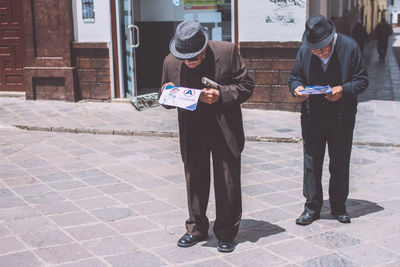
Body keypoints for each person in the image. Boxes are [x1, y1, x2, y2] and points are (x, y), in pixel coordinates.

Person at [159, 21, 254, 252]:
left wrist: (221, 95)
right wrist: (166, 93)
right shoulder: (171, 61)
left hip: (224, 128)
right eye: (184, 57)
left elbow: (247, 86)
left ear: (204, 46)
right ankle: (196, 228)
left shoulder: (227, 52)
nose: (188, 61)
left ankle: (226, 232)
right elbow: (163, 95)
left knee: (227, 182)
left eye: (194, 56)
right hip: (193, 129)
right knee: (195, 181)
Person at [288, 15, 369, 226]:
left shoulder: (350, 47)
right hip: (312, 115)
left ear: (332, 38)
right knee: (311, 162)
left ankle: (338, 206)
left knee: (340, 162)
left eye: (322, 48)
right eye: (315, 49)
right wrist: (296, 89)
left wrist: (343, 90)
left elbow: (362, 80)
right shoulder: (306, 49)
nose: (318, 52)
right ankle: (311, 207)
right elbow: (295, 76)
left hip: (342, 116)